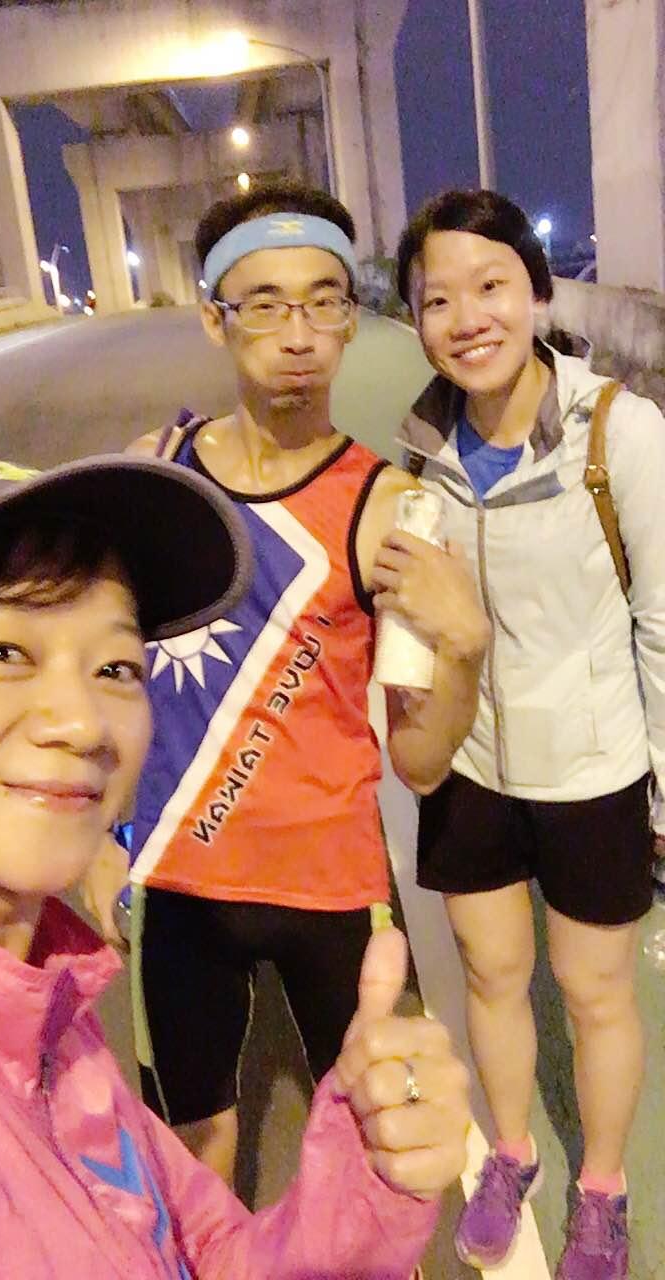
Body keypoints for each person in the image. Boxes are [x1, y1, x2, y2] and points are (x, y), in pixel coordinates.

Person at [0, 452, 472, 1279]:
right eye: (3, 651)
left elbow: (207, 1251)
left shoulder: (50, 1018)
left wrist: (363, 1192)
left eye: (117, 667)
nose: (82, 721)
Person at [83, 179, 489, 1185]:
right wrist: (97, 843)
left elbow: (420, 761)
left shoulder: (388, 507)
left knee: (370, 1149)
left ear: (352, 317)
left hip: (329, 886)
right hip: (181, 883)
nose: (299, 334)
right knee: (195, 1146)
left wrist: (466, 647)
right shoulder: (159, 475)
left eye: (324, 300)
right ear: (216, 319)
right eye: (265, 304)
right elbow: (101, 675)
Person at [389, 187, 665, 1280]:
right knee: (493, 977)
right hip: (472, 764)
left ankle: (603, 1186)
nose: (468, 318)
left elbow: (663, 623)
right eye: (437, 298)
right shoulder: (420, 450)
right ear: (415, 318)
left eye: (492, 285)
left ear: (538, 292)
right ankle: (512, 1154)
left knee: (595, 993)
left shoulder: (619, 431)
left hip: (594, 767)